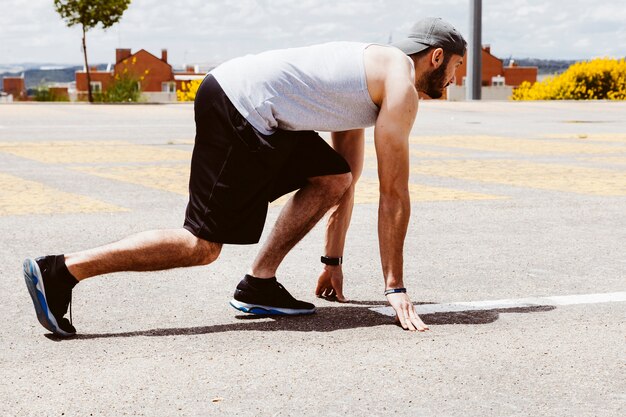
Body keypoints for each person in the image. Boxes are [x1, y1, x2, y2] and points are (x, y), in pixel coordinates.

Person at [23, 17, 466, 337]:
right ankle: (61, 271)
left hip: (256, 108)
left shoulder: (368, 74)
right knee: (201, 246)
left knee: (333, 177)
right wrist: (396, 287)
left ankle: (260, 284)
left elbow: (346, 175)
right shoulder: (401, 85)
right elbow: (394, 195)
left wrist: (332, 263)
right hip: (240, 105)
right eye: (456, 71)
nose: (453, 83)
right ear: (437, 56)